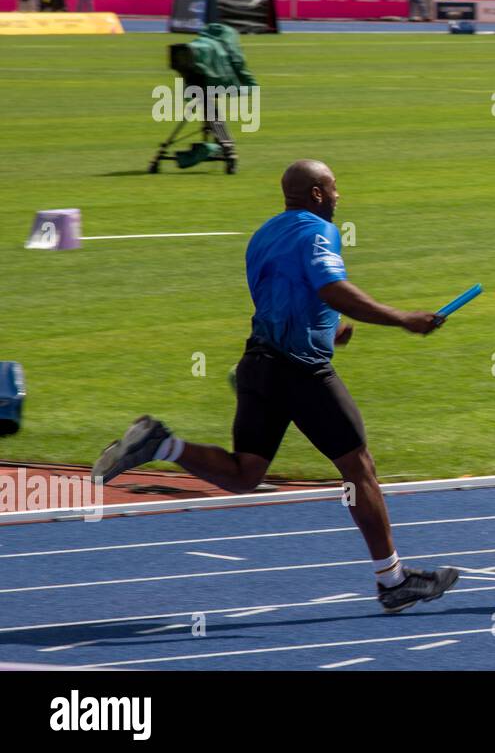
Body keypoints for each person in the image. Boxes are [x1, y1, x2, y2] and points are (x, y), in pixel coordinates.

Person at [93, 160, 460, 614]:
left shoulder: (264, 234)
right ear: (317, 194)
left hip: (258, 363)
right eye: (334, 188)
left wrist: (329, 329)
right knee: (359, 467)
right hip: (301, 372)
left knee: (246, 473)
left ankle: (161, 444)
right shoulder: (318, 232)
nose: (340, 196)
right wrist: (403, 319)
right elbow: (331, 288)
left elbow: (285, 296)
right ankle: (393, 581)